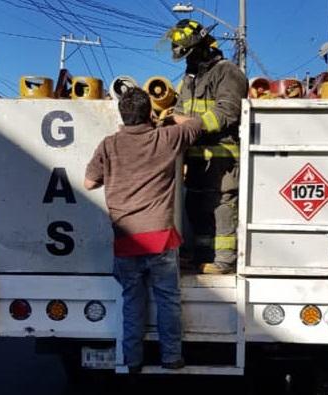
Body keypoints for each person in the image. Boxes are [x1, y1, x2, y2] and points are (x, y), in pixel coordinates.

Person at [84, 87, 203, 373]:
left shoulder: (109, 145)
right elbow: (197, 125)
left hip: (126, 241)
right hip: (160, 239)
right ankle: (172, 357)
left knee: (132, 301)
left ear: (123, 116)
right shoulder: (165, 138)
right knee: (167, 299)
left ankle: (133, 360)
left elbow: (89, 183)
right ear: (149, 113)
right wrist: (173, 117)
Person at [164, 19, 248, 274]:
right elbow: (181, 110)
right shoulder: (190, 80)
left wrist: (183, 123)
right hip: (197, 161)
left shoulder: (227, 72)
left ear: (202, 48)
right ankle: (202, 256)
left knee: (221, 207)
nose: (187, 61)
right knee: (196, 208)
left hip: (221, 159)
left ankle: (223, 261)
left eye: (189, 54)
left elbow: (226, 113)